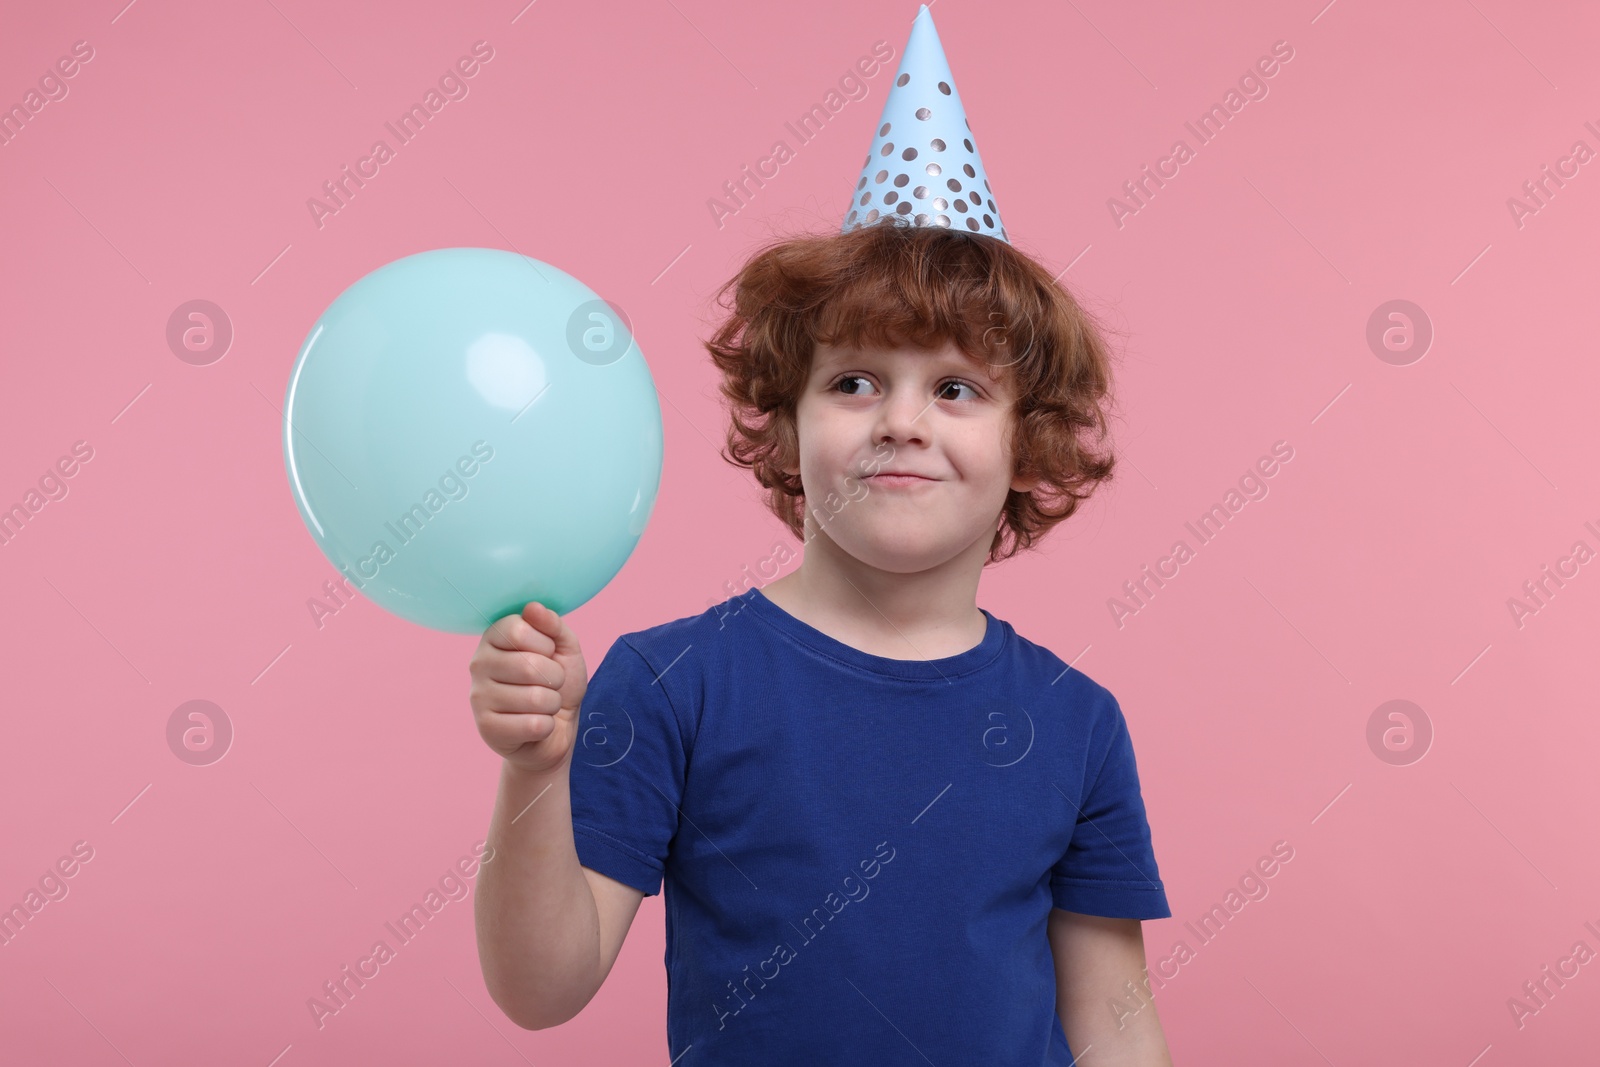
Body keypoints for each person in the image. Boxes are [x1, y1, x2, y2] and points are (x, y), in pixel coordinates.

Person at [472, 7, 1174, 1064]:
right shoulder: (669, 683)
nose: (900, 419)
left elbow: (1115, 1016)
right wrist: (534, 770)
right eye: (852, 381)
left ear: (1025, 447)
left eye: (953, 387)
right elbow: (541, 987)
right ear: (785, 427)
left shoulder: (1076, 721)